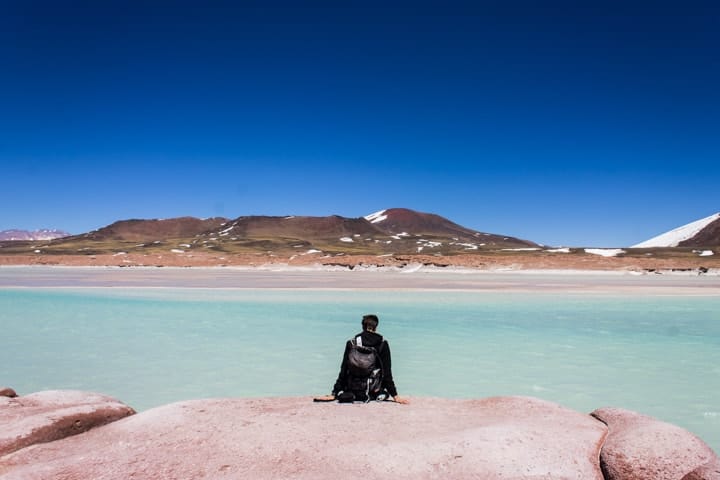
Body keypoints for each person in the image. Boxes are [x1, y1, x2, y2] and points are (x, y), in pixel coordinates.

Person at [316, 314, 409, 404]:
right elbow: (387, 373)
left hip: (352, 387)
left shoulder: (352, 343)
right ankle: (373, 394)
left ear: (363, 327)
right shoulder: (382, 344)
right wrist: (395, 396)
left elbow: (343, 370)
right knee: (384, 392)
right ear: (376, 327)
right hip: (372, 389)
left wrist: (334, 392)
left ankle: (351, 394)